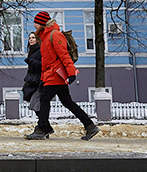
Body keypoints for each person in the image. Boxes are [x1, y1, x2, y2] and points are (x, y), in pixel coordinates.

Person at [25, 11, 100, 141]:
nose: (34, 26)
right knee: (67, 102)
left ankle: (42, 128)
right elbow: (46, 61)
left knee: (44, 100)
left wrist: (71, 73)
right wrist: (42, 78)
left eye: (36, 23)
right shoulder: (44, 37)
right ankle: (90, 126)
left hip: (55, 75)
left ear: (42, 23)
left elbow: (64, 55)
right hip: (50, 75)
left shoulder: (55, 35)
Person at [21, 32, 42, 113]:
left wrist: (31, 62)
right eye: (30, 38)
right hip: (32, 80)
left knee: (36, 105)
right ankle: (42, 120)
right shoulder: (31, 51)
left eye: (33, 38)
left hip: (38, 81)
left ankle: (43, 120)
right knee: (34, 104)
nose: (31, 40)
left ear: (37, 39)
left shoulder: (40, 50)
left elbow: (43, 65)